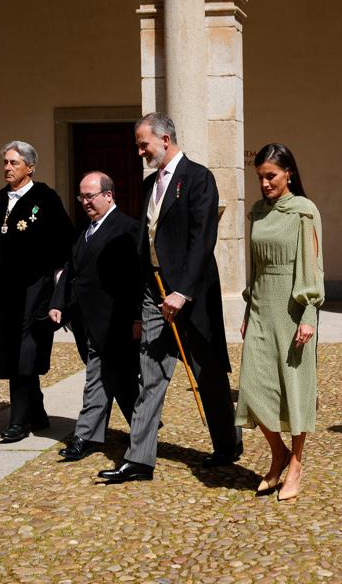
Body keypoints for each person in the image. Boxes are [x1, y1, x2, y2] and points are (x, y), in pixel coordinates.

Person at [98, 112, 242, 483]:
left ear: (165, 139)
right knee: (151, 375)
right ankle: (140, 460)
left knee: (207, 373)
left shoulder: (199, 178)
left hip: (191, 295)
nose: (141, 151)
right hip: (154, 292)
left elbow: (203, 239)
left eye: (144, 144)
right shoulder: (148, 185)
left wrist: (184, 291)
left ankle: (228, 445)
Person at [236, 143, 324, 501]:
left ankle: (296, 464)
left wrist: (308, 313)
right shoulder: (257, 212)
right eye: (260, 177)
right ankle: (278, 453)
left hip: (293, 308)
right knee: (252, 388)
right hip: (260, 308)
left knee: (295, 388)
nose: (265, 183)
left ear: (289, 173)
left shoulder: (304, 211)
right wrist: (246, 311)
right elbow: (254, 268)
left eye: (270, 176)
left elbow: (313, 266)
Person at [49, 172, 141, 460]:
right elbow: (72, 270)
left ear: (108, 195)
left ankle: (84, 436)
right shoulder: (85, 230)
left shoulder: (127, 228)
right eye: (81, 197)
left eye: (90, 196)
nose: (85, 202)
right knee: (122, 381)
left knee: (98, 379)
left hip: (114, 321)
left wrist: (137, 318)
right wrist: (58, 303)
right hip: (87, 321)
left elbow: (137, 279)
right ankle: (145, 428)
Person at [0, 141, 75, 442]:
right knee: (11, 350)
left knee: (25, 351)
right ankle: (37, 412)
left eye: (13, 163)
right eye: (5, 162)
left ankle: (18, 420)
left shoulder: (45, 198)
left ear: (29, 167)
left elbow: (66, 241)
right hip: (4, 293)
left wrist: (58, 286)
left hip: (34, 289)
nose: (7, 168)